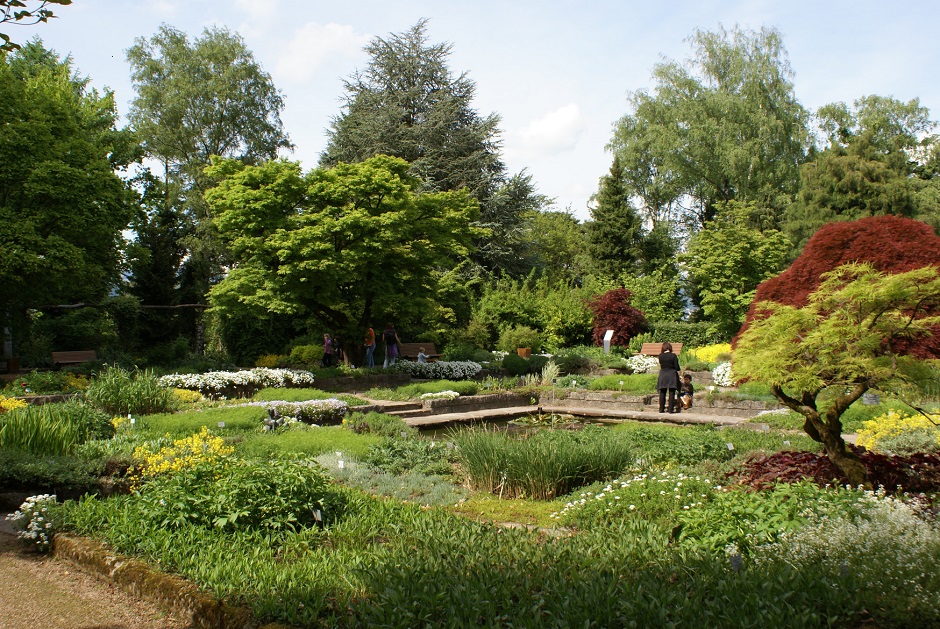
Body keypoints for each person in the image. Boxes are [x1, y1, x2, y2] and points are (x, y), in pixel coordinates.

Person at [657, 342, 681, 413]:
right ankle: (670, 410)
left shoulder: (660, 356)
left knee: (662, 392)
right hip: (671, 374)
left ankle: (661, 409)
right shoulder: (673, 356)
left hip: (663, 374)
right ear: (670, 347)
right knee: (671, 392)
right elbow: (677, 367)